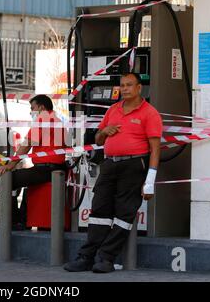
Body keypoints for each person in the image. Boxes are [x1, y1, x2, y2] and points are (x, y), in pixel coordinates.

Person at [63, 72, 162, 273]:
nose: (124, 89)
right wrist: (104, 132)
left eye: (129, 85)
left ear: (139, 88)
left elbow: (155, 149)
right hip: (109, 164)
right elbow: (99, 140)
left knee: (124, 214)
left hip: (134, 166)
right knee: (99, 210)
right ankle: (86, 257)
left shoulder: (149, 113)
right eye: (122, 85)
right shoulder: (113, 109)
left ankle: (106, 258)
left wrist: (150, 180)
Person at [0, 95, 68, 230]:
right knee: (26, 182)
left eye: (32, 108)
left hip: (46, 169)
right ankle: (22, 221)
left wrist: (10, 165)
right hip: (54, 168)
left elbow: (27, 144)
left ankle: (11, 221)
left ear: (41, 107)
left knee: (9, 178)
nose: (31, 112)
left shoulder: (44, 119)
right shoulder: (57, 119)